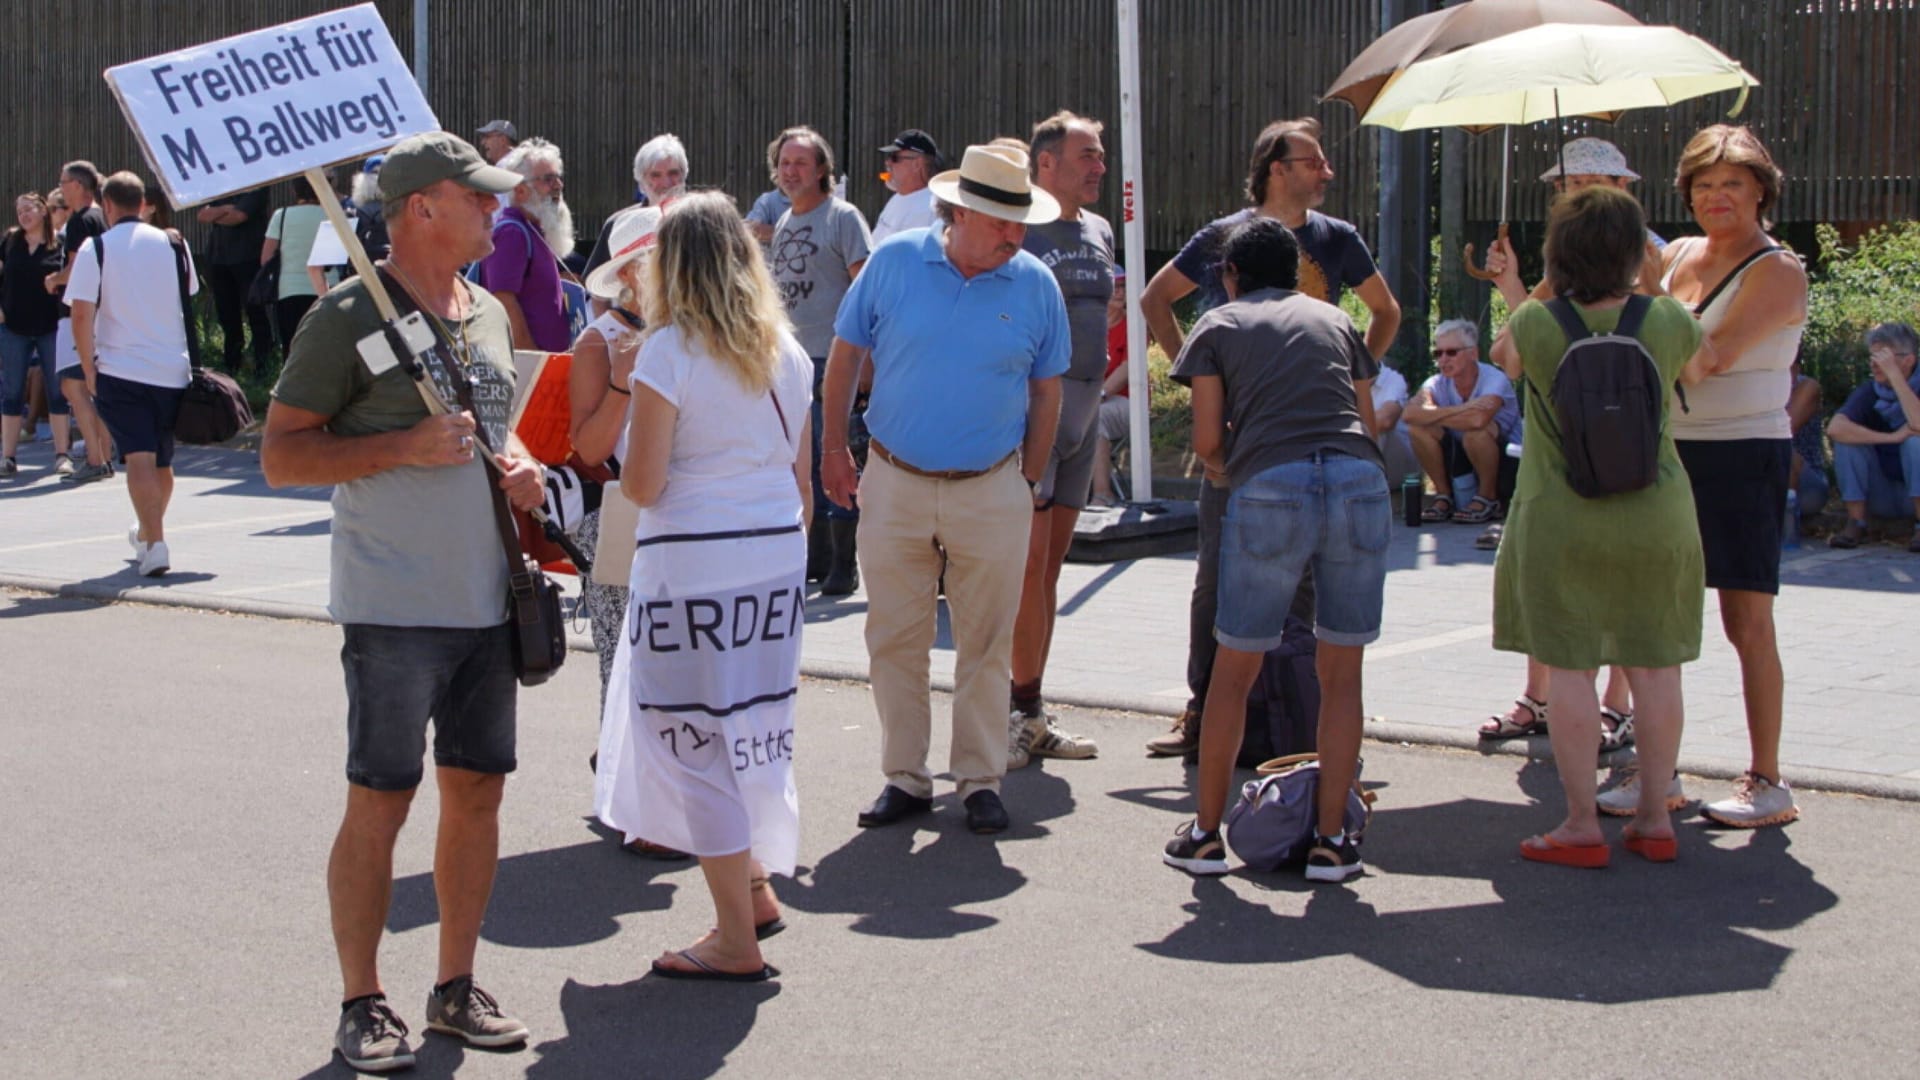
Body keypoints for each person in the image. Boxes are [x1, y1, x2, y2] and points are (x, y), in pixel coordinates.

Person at [260, 131, 539, 1072]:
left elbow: (496, 434)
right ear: (422, 207)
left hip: (488, 601)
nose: (501, 208)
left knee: (478, 796)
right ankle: (362, 1001)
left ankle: (455, 988)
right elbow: (280, 455)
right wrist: (399, 446)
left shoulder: (489, 312)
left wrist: (522, 466)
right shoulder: (343, 315)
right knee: (381, 802)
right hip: (392, 606)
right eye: (483, 196)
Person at [594, 191, 810, 983]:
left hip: (693, 565)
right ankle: (751, 887)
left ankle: (733, 939)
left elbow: (644, 484)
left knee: (692, 742)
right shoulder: (786, 349)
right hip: (774, 558)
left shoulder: (670, 351)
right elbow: (802, 481)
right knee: (750, 725)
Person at [821, 143, 1067, 836]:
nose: (1015, 236)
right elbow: (844, 355)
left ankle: (980, 779)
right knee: (892, 638)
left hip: (992, 486)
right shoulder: (895, 262)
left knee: (986, 642)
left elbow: (1047, 390)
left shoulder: (1034, 283)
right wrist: (835, 449)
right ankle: (904, 776)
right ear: (957, 213)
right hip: (894, 481)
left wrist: (1027, 476)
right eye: (1001, 222)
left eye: (1020, 221)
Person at [1140, 117, 1401, 761]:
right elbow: (1155, 301)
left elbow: (1387, 311)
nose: (1327, 171)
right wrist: (1195, 375)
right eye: (1314, 160)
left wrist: (1349, 374)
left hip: (1307, 437)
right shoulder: (1222, 237)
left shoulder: (1336, 238)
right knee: (1214, 575)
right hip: (1236, 435)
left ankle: (1296, 712)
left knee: (1307, 581)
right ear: (1276, 167)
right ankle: (1205, 706)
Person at [1486, 184, 1712, 868]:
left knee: (1572, 671)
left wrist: (1524, 288)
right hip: (1656, 511)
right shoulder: (1670, 319)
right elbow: (1697, 374)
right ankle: (1652, 817)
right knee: (1656, 667)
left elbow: (1505, 359)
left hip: (1562, 514)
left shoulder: (1537, 322)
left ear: (1561, 254)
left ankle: (1581, 824)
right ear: (1634, 252)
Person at [1160, 216, 1386, 883]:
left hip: (1270, 483)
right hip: (1358, 481)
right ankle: (1331, 840)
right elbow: (1367, 422)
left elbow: (1206, 443)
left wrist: (1245, 473)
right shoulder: (1335, 321)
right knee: (1341, 673)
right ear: (1297, 272)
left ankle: (1205, 835)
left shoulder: (1220, 325)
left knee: (1235, 669)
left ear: (1231, 275)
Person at [1644, 124, 1809, 828]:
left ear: (1761, 191)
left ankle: (1767, 779)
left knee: (1747, 621)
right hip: (1669, 451)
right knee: (1650, 618)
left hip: (1743, 453)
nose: (1717, 198)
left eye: (1732, 184)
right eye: (1704, 185)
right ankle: (1657, 772)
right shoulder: (1677, 254)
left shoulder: (1778, 270)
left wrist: (1653, 299)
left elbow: (1704, 360)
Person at [567, 206, 691, 863]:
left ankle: (642, 780)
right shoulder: (599, 340)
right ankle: (633, 800)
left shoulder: (690, 334)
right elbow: (586, 446)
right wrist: (622, 379)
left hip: (680, 518)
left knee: (673, 664)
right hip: (615, 519)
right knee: (627, 663)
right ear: (633, 271)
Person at [1007, 110, 1113, 766]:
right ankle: (1015, 710)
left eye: (1101, 156)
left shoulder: (1098, 228)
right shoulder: (1019, 224)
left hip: (1087, 417)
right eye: (1087, 156)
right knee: (1024, 569)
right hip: (1036, 415)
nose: (1099, 166)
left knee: (1049, 573)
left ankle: (1033, 712)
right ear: (1046, 163)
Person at [64, 172, 198, 577]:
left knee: (138, 456)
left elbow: (82, 312)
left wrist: (89, 368)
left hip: (120, 368)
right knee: (162, 459)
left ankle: (155, 542)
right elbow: (189, 294)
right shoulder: (176, 243)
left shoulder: (97, 247)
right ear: (143, 203)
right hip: (172, 368)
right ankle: (148, 533)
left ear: (106, 206)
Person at [768, 125, 873, 596]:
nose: (791, 172)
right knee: (804, 466)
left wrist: (865, 360)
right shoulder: (786, 220)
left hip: (834, 360)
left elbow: (866, 292)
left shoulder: (843, 218)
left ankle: (844, 565)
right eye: (785, 163)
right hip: (792, 360)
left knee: (837, 460)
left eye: (801, 164)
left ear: (822, 170)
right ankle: (817, 556)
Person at [1404, 319, 1520, 524]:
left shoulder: (1495, 379)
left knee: (1477, 433)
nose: (1443, 360)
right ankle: (1444, 497)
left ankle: (1488, 498)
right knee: (1418, 429)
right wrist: (1463, 408)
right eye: (1438, 353)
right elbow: (1410, 414)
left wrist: (1436, 413)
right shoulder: (1436, 382)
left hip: (1506, 464)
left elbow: (1477, 420)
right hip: (1460, 457)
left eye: (1451, 352)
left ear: (1473, 353)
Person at [48, 163, 115, 486]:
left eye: (63, 182)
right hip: (102, 310)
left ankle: (95, 458)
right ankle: (102, 452)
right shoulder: (100, 215)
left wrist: (53, 279)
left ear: (76, 185)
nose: (60, 188)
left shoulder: (80, 220)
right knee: (90, 385)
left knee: (74, 385)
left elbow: (76, 269)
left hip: (82, 312)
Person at [1826, 321, 1920, 550]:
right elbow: (1835, 428)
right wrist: (1891, 438)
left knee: (1914, 443)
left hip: (1913, 488)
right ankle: (1856, 522)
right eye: (1873, 357)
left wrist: (1896, 379)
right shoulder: (1871, 391)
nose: (1874, 364)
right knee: (1847, 443)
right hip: (1884, 493)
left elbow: (1917, 424)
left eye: (1883, 358)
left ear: (1908, 360)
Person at [479, 137, 575, 353]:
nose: (558, 186)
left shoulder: (532, 229)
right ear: (520, 191)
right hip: (530, 370)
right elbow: (502, 300)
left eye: (558, 178)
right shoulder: (512, 233)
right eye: (548, 179)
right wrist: (531, 358)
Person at [1, 192, 73, 478]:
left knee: (57, 391)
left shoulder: (60, 243)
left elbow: (70, 276)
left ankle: (61, 454)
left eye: (29, 209)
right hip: (13, 326)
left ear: (44, 211)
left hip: (50, 326)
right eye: (19, 211)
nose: (23, 215)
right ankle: (7, 456)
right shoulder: (10, 241)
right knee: (12, 391)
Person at [583, 133, 689, 285]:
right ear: (641, 181)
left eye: (673, 173)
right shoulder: (620, 225)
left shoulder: (702, 220)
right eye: (655, 175)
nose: (666, 183)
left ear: (684, 176)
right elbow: (595, 287)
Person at [194, 184, 274, 373]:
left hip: (248, 256)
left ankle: (263, 363)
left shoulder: (257, 186)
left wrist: (217, 213)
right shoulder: (219, 185)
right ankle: (231, 363)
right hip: (219, 258)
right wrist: (224, 209)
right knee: (227, 315)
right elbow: (202, 215)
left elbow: (239, 217)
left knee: (255, 312)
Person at [260, 178, 327, 353]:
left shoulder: (280, 216)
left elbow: (266, 258)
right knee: (323, 347)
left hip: (288, 290)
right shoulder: (333, 214)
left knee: (292, 348)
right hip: (326, 289)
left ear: (294, 191)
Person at [1089, 268, 1130, 508]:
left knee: (1096, 417)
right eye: (1115, 286)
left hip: (1126, 402)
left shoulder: (1134, 323)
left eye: (1124, 286)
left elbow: (1127, 369)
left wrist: (1099, 395)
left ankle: (1103, 494)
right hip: (1085, 397)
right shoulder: (1085, 326)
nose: (1120, 292)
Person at [871, 128, 940, 244]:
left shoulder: (930, 208)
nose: (888, 163)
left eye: (895, 158)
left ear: (917, 164)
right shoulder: (898, 198)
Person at [1787, 355, 1828, 525]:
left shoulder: (1807, 387)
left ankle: (1785, 524)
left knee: (1779, 448)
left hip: (1809, 487)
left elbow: (1782, 430)